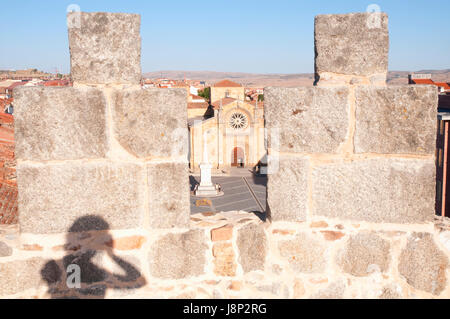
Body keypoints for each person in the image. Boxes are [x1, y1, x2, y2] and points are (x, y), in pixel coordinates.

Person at [41, 215, 146, 299]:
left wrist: (111, 254)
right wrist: (111, 254)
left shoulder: (98, 272)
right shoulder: (57, 266)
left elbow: (138, 281)